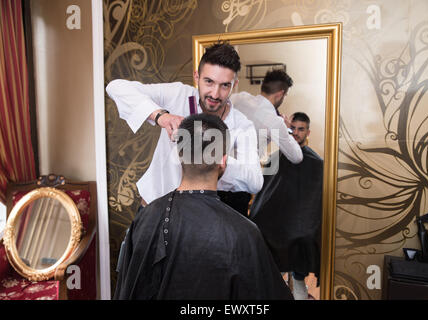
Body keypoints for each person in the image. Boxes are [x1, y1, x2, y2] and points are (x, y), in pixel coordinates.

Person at [113, 113, 294, 300]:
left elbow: (127, 289)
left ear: (179, 154)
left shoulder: (145, 217)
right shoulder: (243, 232)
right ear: (223, 161)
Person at [106, 43, 263, 214]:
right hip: (154, 208)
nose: (215, 94)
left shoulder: (242, 125)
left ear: (234, 85)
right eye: (209, 82)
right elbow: (116, 87)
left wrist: (217, 160)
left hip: (195, 215)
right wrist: (161, 116)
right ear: (197, 76)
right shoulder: (178, 95)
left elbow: (255, 181)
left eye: (224, 85)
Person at [249, 112, 323, 300]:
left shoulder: (316, 162)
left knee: (303, 236)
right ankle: (276, 284)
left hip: (301, 221)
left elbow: (315, 199)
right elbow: (264, 192)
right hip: (275, 219)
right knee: (260, 229)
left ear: (308, 132)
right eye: (293, 129)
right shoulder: (275, 158)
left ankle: (298, 286)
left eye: (301, 129)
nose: (296, 133)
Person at [230, 69, 303, 166]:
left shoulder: (238, 97)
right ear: (280, 94)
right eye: (285, 95)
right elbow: (296, 157)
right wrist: (286, 129)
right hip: (243, 173)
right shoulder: (275, 122)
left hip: (218, 164)